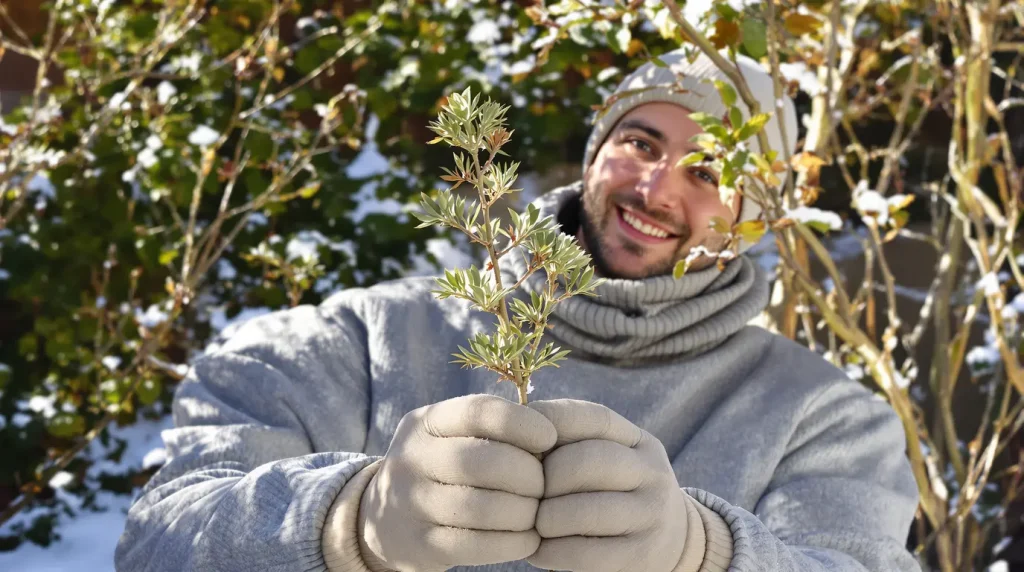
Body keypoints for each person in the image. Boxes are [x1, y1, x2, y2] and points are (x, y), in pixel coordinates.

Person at [115, 49, 921, 572]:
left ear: (752, 215)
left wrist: (701, 552)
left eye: (709, 170)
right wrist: (348, 523)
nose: (655, 187)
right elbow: (161, 538)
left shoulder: (822, 418)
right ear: (596, 151)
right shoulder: (360, 342)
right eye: (639, 142)